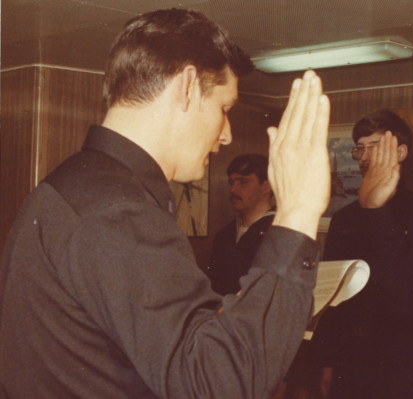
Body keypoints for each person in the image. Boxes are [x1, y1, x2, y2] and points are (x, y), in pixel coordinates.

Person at [0, 8, 331, 399]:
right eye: (224, 109)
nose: (226, 135)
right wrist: (298, 213)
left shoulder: (78, 186)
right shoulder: (117, 212)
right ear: (187, 86)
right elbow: (215, 385)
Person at [313, 109, 413, 399]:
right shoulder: (344, 219)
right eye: (360, 148)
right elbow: (333, 298)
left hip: (402, 362)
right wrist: (326, 363)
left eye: (375, 147)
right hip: (350, 361)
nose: (366, 156)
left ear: (402, 152)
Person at [208, 153, 275, 295]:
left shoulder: (279, 234)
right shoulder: (223, 236)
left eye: (243, 182)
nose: (233, 190)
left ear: (266, 187)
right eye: (231, 183)